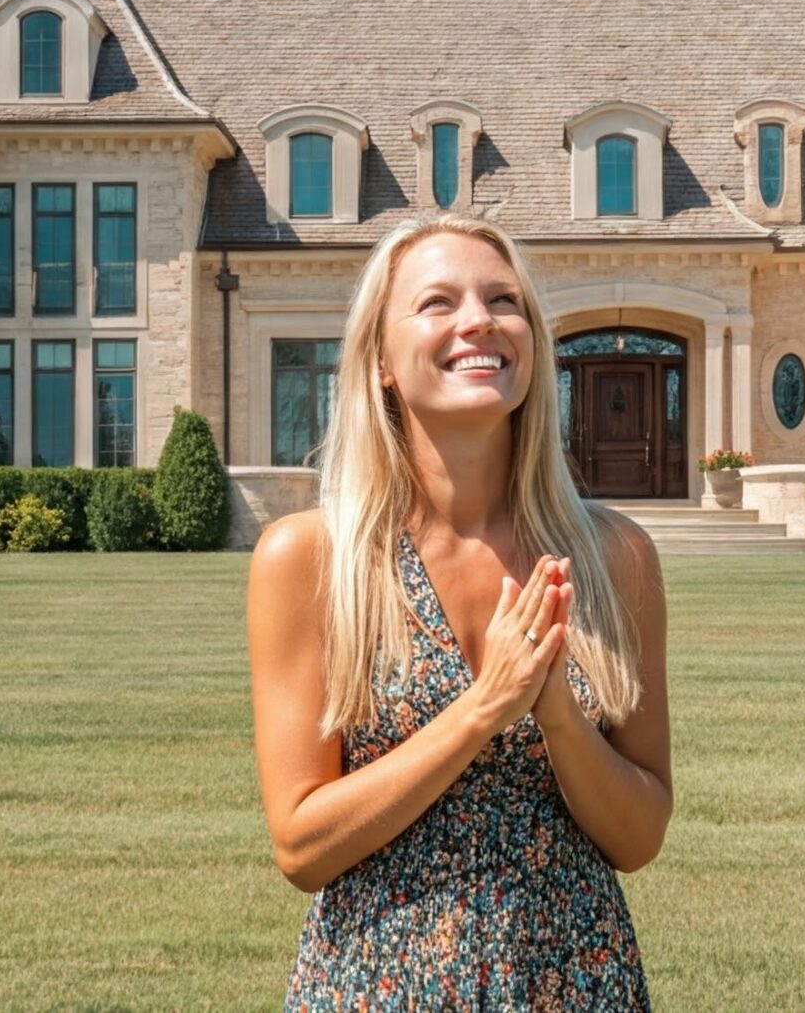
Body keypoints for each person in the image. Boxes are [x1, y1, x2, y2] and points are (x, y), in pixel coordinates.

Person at [248, 214, 672, 1010]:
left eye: (503, 300)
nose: (479, 319)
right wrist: (482, 709)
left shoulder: (617, 559)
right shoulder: (310, 561)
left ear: (533, 345)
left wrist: (557, 715)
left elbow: (639, 837)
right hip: (378, 985)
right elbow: (301, 844)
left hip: (575, 982)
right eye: (438, 302)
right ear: (379, 358)